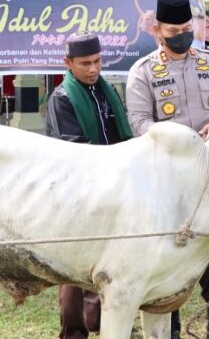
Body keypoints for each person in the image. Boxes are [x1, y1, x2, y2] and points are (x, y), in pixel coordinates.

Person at [125, 0, 209, 339]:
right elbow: (140, 123)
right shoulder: (143, 72)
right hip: (168, 179)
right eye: (175, 30)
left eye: (188, 29)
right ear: (158, 30)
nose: (183, 35)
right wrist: (177, 138)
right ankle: (170, 322)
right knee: (171, 250)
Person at [45, 32, 133, 339]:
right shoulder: (63, 98)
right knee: (74, 266)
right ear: (67, 63)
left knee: (114, 258)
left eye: (97, 61)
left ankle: (106, 322)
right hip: (78, 194)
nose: (93, 69)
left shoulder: (106, 91)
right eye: (85, 63)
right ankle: (73, 331)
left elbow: (124, 137)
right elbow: (74, 150)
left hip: (115, 189)